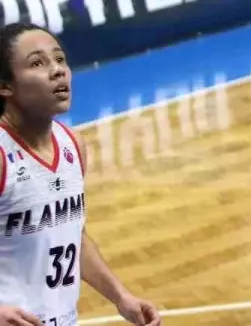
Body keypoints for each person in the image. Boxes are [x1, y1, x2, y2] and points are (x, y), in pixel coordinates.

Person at [0, 23, 161, 326]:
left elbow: (72, 237)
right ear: (5, 86)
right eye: (37, 63)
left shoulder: (73, 144)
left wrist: (121, 297)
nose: (57, 71)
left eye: (60, 60)